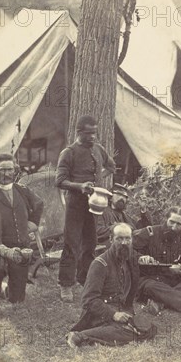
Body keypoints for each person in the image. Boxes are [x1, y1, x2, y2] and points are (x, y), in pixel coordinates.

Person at [56, 115, 116, 303]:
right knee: (71, 244)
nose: (92, 137)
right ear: (79, 132)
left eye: (94, 133)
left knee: (90, 244)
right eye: (88, 133)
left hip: (94, 205)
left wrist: (98, 181)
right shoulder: (69, 152)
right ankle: (66, 285)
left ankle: (85, 279)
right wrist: (80, 186)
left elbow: (111, 166)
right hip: (75, 205)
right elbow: (60, 181)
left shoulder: (99, 149)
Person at [0, 153, 44, 323]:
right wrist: (5, 251)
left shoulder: (22, 191)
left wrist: (32, 223)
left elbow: (39, 204)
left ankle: (0, 287)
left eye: (11, 170)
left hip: (21, 248)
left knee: (17, 299)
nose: (7, 174)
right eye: (3, 170)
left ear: (15, 171)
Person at [66, 223, 156, 348]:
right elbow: (89, 300)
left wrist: (145, 258)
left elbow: (136, 256)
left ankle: (107, 333)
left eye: (127, 238)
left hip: (122, 309)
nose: (124, 242)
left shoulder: (127, 257)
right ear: (111, 239)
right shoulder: (100, 264)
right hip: (99, 314)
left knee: (148, 329)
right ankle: (80, 336)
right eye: (119, 238)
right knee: (128, 331)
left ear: (132, 240)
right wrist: (114, 314)